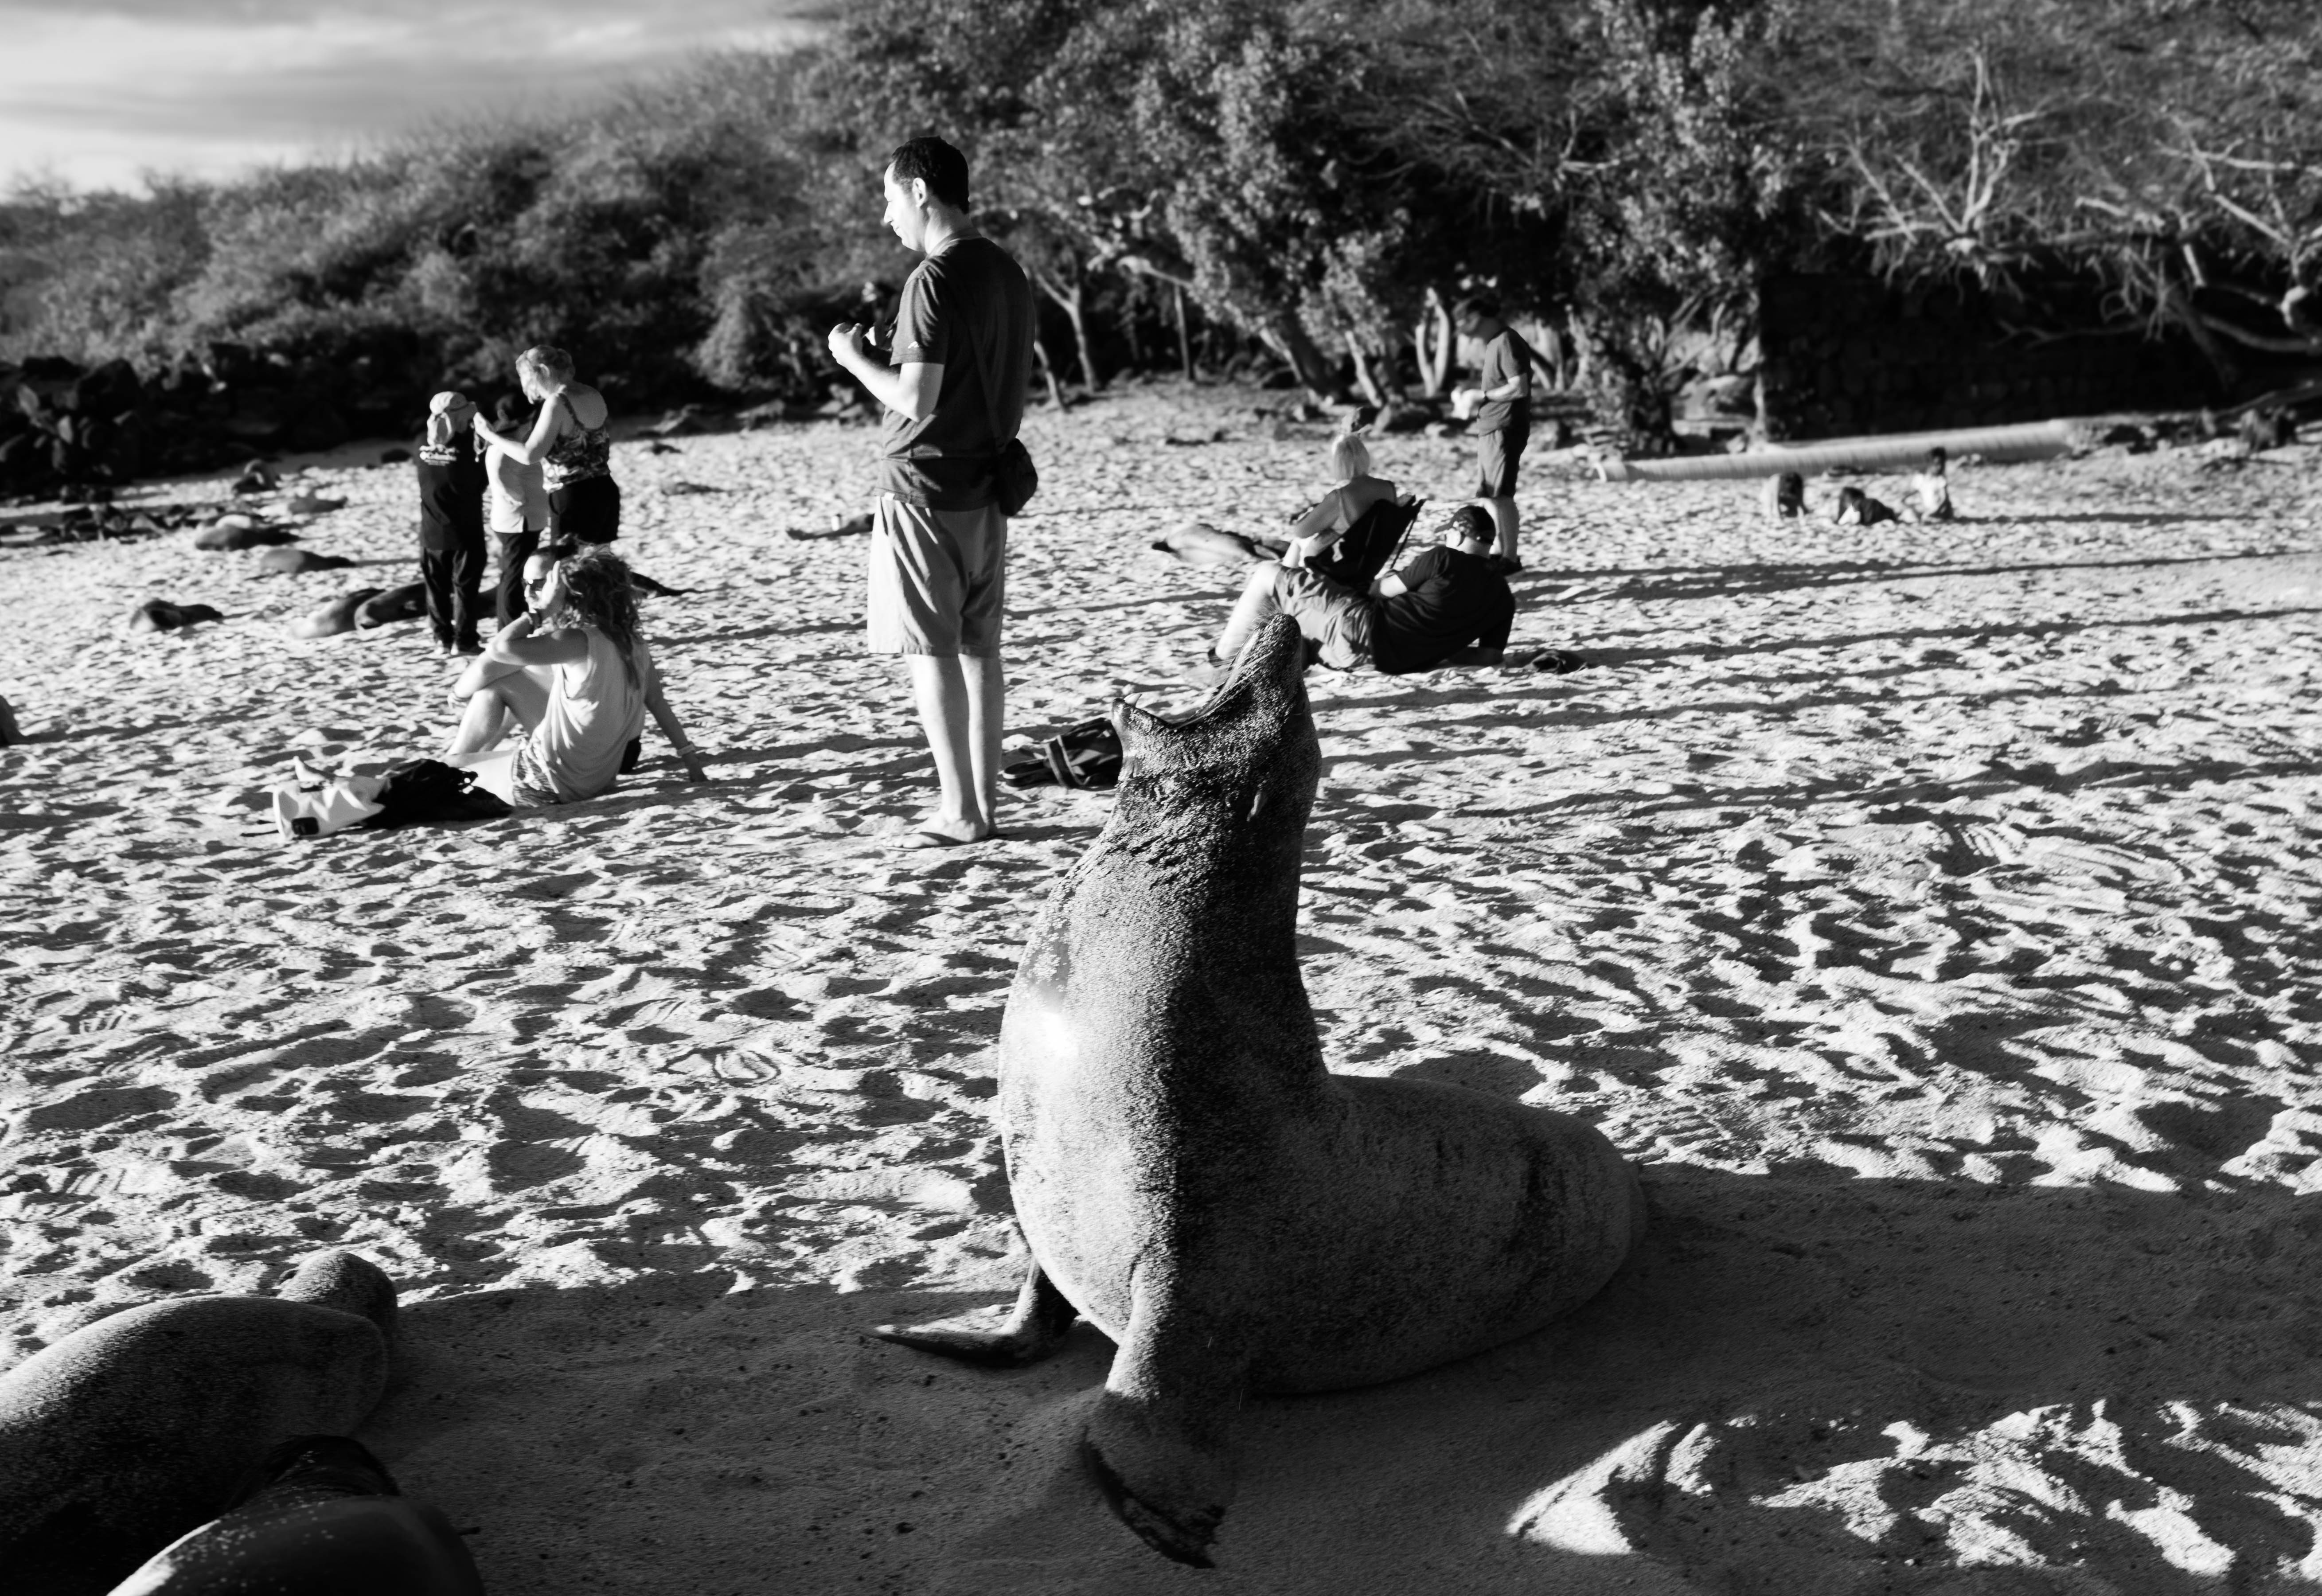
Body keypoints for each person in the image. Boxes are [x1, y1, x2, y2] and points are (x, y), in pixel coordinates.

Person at [825, 135, 1036, 848]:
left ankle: (960, 812)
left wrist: (853, 359)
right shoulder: (1007, 271)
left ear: (920, 192)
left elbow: (916, 399)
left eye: (889, 200)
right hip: (986, 484)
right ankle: (981, 806)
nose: (887, 218)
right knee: (980, 650)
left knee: (932, 653)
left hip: (924, 485)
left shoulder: (932, 279)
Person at [441, 543, 706, 806]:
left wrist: (542, 611)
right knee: (502, 690)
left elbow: (498, 650)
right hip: (598, 775)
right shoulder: (633, 642)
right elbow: (658, 702)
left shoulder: (575, 641)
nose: (532, 590)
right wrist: (690, 759)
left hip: (547, 782)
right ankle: (472, 761)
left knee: (445, 770)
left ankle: (461, 765)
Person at [1211, 503, 1516, 675]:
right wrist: (1442, 646)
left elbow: (1379, 590)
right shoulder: (1504, 598)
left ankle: (1221, 659)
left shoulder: (1444, 557)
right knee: (1300, 630)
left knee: (1268, 574)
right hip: (1373, 661)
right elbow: (1488, 657)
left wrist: (1395, 577)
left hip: (1360, 628)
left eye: (1449, 534)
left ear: (1458, 534)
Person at [472, 346, 619, 546]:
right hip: (604, 489)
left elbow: (529, 455)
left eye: (525, 377)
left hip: (573, 495)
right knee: (599, 566)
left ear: (542, 373)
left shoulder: (557, 402)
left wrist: (489, 434)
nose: (526, 386)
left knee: (567, 567)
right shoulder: (592, 394)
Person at [1452, 295, 1534, 572]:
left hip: (1504, 426)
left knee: (1501, 495)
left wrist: (1481, 395)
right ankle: (1499, 552)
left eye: (1466, 321)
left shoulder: (1507, 341)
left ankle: (1510, 558)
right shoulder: (1494, 344)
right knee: (1487, 495)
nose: (1464, 328)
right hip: (1490, 427)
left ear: (1481, 318)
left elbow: (1519, 387)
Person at [415, 389, 488, 656]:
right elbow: (481, 483)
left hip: (431, 531)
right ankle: (465, 640)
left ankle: (441, 640)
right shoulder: (472, 444)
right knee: (465, 589)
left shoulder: (419, 441)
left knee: (436, 589)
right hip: (466, 530)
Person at [1281, 425, 1397, 569]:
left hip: (1337, 563)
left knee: (1297, 541)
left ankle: (1284, 581)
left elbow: (1301, 531)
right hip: (1369, 562)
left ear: (1338, 463)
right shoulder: (1388, 488)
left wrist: (1310, 514)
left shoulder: (1340, 497)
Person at [483, 392, 549, 627]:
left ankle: (509, 626)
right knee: (514, 578)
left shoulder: (501, 443)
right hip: (519, 520)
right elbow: (513, 490)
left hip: (511, 518)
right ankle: (509, 627)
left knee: (511, 575)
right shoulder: (509, 448)